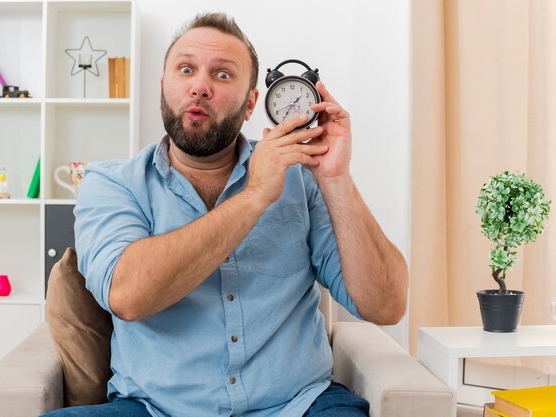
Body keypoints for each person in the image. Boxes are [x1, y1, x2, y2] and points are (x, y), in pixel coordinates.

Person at [44, 12, 408, 417]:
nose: (199, 86)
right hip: (153, 408)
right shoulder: (112, 184)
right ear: (163, 88)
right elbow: (128, 297)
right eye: (186, 70)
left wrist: (336, 178)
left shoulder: (301, 181)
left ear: (253, 103)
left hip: (298, 405)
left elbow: (386, 306)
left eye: (221, 75)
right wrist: (254, 196)